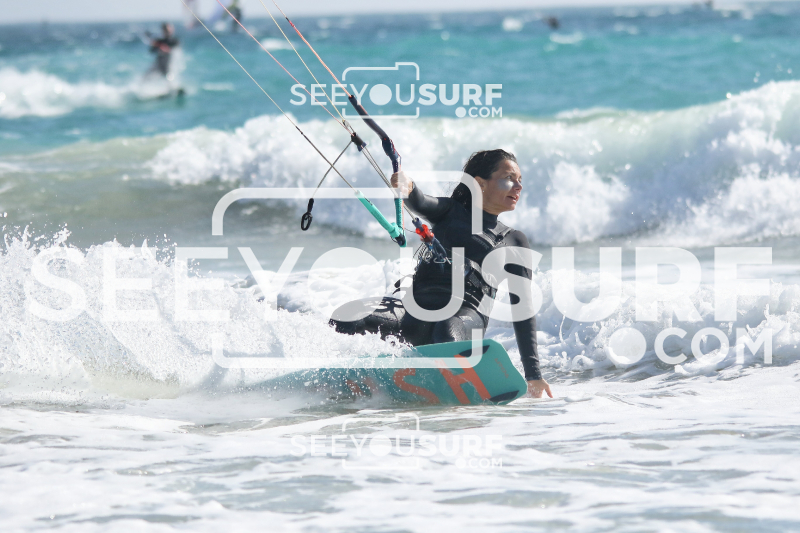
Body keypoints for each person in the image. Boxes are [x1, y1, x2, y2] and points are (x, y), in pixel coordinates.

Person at [330, 149, 553, 399]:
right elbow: (421, 202)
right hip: (416, 312)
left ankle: (455, 387)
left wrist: (533, 374)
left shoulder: (514, 241)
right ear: (480, 183)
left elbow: (523, 310)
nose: (518, 186)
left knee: (446, 330)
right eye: (509, 178)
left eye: (520, 180)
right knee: (349, 317)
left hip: (464, 318)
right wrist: (409, 187)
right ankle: (341, 381)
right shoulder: (450, 211)